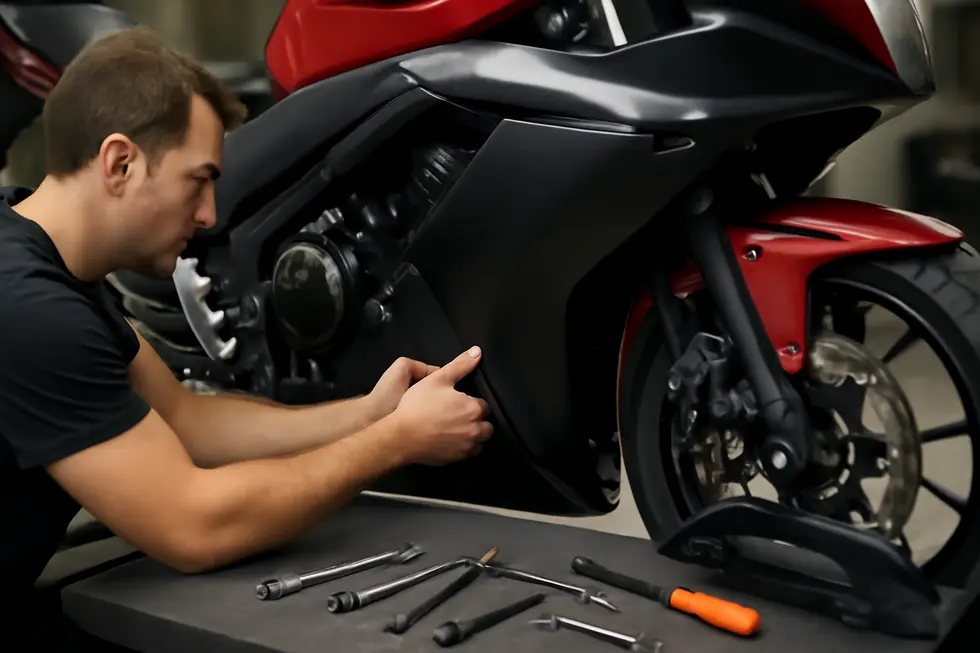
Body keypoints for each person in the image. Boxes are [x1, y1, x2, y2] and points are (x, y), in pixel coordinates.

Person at [0, 27, 493, 651]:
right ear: (120, 163)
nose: (208, 214)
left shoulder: (38, 253)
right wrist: (395, 444)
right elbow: (192, 526)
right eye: (197, 180)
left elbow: (185, 419)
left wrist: (370, 415)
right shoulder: (31, 307)